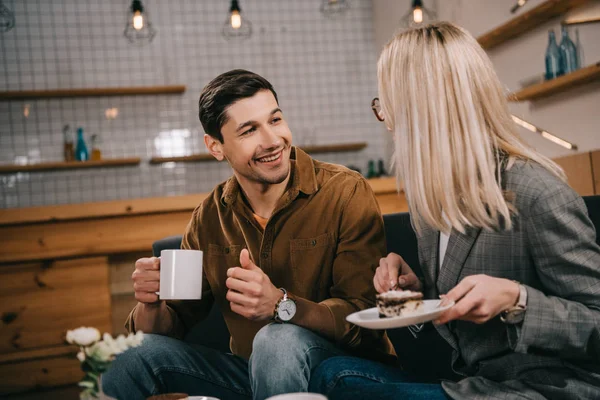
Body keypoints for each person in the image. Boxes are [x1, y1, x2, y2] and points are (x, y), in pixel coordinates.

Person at [309, 22, 600, 400]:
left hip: (544, 388)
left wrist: (518, 299)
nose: (387, 121)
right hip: (475, 383)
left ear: (421, 109)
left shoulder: (535, 191)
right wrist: (416, 292)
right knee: (331, 373)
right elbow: (453, 312)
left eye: (387, 105)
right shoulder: (433, 201)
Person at [102, 69, 395, 400]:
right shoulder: (209, 218)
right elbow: (171, 327)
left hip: (346, 372)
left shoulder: (345, 191)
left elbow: (363, 316)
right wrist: (150, 305)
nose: (272, 140)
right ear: (216, 146)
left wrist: (281, 305)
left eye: (275, 120)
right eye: (249, 130)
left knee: (277, 339)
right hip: (253, 375)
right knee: (125, 354)